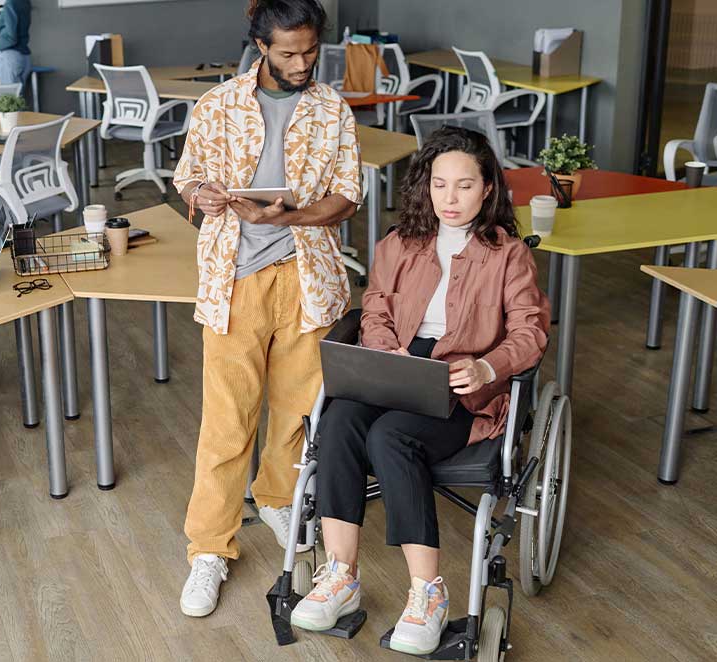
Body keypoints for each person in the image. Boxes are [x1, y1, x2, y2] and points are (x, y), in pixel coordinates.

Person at [289, 126, 550, 655]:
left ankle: (427, 594)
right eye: (439, 185)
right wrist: (389, 353)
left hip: (460, 388)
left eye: (464, 186)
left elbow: (530, 332)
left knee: (389, 438)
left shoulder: (508, 255)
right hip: (396, 368)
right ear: (424, 187)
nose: (450, 199)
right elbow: (377, 307)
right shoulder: (398, 244)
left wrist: (486, 366)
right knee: (336, 422)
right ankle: (341, 576)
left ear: (489, 190)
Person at [173, 0, 362, 618]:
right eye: (288, 53)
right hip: (235, 280)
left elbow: (346, 198)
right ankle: (209, 549)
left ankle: (279, 498)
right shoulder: (216, 105)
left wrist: (293, 215)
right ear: (260, 46)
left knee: (297, 414)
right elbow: (188, 179)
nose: (302, 63)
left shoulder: (332, 109)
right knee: (227, 422)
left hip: (310, 280)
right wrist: (202, 193)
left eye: (310, 51)